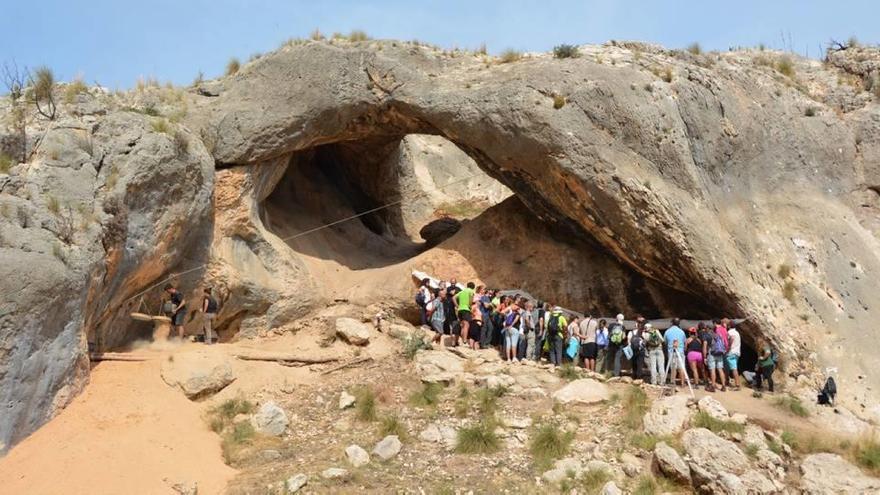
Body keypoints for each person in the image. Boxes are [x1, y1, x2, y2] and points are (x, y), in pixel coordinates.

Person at [664, 318, 687, 387]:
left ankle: (672, 382)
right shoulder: (681, 332)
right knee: (681, 367)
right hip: (680, 351)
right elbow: (684, 341)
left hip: (671, 351)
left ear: (672, 323)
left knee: (673, 368)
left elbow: (665, 342)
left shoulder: (667, 331)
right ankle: (682, 383)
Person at [706, 323, 727, 392]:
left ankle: (713, 386)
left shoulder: (709, 335)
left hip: (712, 354)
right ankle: (723, 386)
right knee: (720, 369)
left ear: (709, 329)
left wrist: (705, 355)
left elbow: (706, 346)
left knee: (712, 370)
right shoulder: (719, 335)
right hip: (720, 354)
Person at [454, 282, 476, 346]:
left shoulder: (462, 291)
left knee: (463, 325)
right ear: (473, 287)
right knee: (466, 325)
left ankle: (462, 340)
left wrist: (457, 306)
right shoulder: (471, 291)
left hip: (460, 309)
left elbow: (453, 298)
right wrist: (470, 305)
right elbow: (471, 299)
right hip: (466, 309)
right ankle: (464, 340)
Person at [726, 321, 742, 390]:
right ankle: (728, 380)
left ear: (729, 326)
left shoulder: (730, 332)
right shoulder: (737, 333)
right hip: (737, 353)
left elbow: (731, 338)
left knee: (733, 368)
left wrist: (728, 347)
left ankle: (737, 385)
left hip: (731, 352)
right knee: (733, 368)